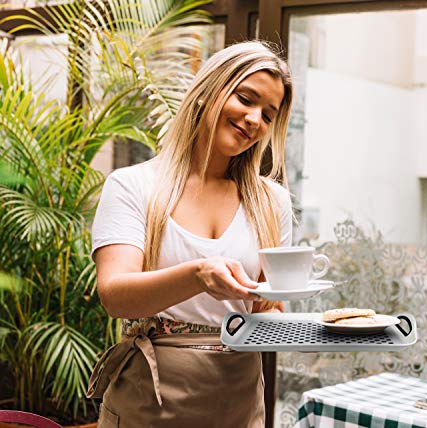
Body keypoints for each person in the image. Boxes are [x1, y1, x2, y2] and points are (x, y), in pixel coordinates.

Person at [86, 40, 294, 428]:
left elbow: (267, 311)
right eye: (245, 99)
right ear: (207, 92)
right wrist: (197, 275)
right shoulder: (134, 186)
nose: (254, 120)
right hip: (152, 398)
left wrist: (321, 331)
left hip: (239, 400)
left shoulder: (272, 201)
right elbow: (115, 295)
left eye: (268, 115)